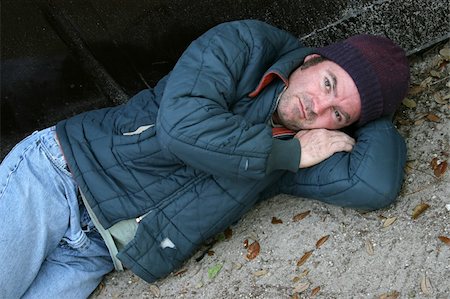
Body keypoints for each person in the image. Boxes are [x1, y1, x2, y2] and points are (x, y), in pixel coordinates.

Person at [0, 19, 409, 298]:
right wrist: (290, 150)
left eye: (336, 112)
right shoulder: (246, 45)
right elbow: (181, 126)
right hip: (57, 179)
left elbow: (372, 184)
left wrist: (371, 106)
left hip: (93, 252)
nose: (315, 107)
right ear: (312, 59)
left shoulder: (299, 148)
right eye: (327, 83)